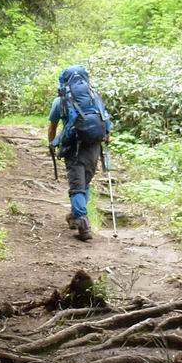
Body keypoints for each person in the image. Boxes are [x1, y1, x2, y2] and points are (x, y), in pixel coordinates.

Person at [47, 65, 112, 241]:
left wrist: (51, 143)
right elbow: (106, 120)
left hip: (74, 148)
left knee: (77, 187)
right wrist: (106, 136)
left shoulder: (59, 101)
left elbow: (52, 126)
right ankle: (76, 216)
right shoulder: (94, 96)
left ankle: (83, 225)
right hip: (94, 147)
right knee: (85, 184)